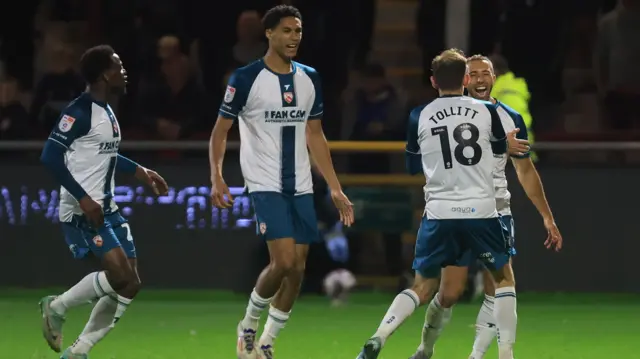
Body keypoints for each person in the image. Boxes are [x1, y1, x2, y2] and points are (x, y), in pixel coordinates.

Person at [355, 49, 530, 359]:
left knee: (423, 286)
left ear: (433, 80)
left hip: (440, 212)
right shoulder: (487, 112)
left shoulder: (418, 114)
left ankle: (380, 336)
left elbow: (411, 167)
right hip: (482, 210)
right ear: (465, 80)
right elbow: (501, 153)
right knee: (503, 279)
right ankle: (505, 354)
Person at [208, 5, 354, 359]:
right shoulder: (245, 79)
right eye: (287, 31)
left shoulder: (309, 78)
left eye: (298, 31)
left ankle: (268, 342)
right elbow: (220, 131)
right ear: (269, 34)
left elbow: (316, 135)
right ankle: (247, 327)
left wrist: (334, 187)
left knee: (298, 268)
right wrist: (216, 176)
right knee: (284, 261)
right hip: (264, 182)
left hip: (301, 184)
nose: (294, 37)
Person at [38, 45, 169, 359]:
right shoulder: (78, 112)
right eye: (118, 66)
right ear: (102, 75)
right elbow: (50, 156)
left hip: (106, 208)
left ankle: (78, 351)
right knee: (120, 277)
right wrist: (83, 199)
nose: (123, 72)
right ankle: (56, 307)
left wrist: (139, 170)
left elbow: (104, 155)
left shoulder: (107, 110)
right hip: (83, 211)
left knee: (130, 284)